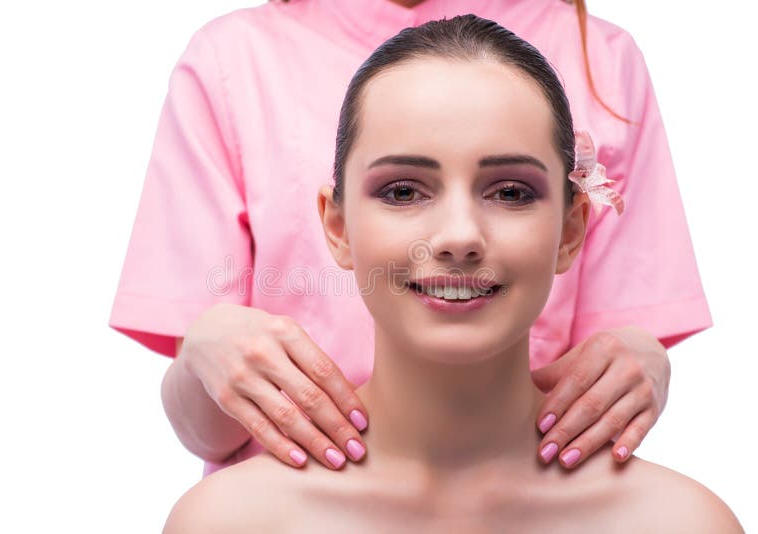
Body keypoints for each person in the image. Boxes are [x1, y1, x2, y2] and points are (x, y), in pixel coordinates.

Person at [161, 15, 741, 532]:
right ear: (336, 226)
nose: (458, 235)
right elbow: (205, 420)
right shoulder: (228, 518)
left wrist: (643, 351)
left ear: (571, 229)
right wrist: (202, 351)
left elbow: (622, 355)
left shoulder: (679, 519)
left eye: (511, 192)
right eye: (403, 191)